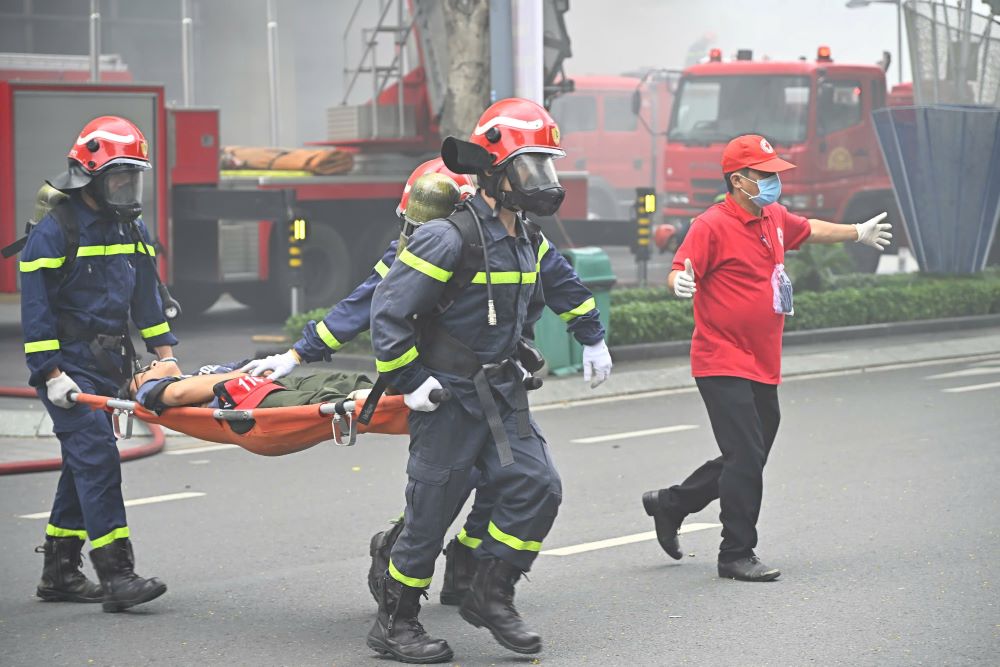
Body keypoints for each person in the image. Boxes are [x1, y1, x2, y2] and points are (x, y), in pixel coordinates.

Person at [366, 97, 613, 663]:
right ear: (493, 174)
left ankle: (489, 592)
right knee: (430, 517)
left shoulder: (526, 237)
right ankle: (396, 623)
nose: (544, 181)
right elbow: (389, 311)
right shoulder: (447, 237)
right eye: (531, 168)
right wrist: (408, 380)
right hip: (448, 399)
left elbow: (563, 284)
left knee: (537, 486)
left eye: (547, 167)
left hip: (501, 394)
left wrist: (591, 335)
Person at [641, 134, 892, 582]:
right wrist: (677, 281)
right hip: (721, 359)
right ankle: (735, 553)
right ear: (738, 180)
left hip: (762, 361)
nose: (775, 180)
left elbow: (810, 228)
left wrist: (857, 232)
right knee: (746, 454)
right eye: (766, 174)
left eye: (775, 172)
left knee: (749, 454)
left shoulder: (772, 216)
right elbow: (682, 266)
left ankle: (672, 503)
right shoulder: (710, 225)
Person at [20, 116, 178, 612]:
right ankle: (117, 575)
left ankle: (60, 571)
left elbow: (148, 300)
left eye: (133, 177)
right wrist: (51, 375)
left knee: (83, 463)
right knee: (98, 458)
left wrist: (166, 358)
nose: (127, 187)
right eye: (117, 178)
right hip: (66, 367)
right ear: (89, 178)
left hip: (109, 364)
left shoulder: (132, 226)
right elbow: (35, 313)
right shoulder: (54, 232)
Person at [128, 358, 372, 411]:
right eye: (144, 371)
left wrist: (262, 368)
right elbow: (179, 394)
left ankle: (392, 391)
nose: (153, 362)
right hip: (249, 399)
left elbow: (246, 367)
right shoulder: (151, 392)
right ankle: (380, 402)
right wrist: (237, 374)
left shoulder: (199, 372)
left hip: (273, 383)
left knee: (343, 380)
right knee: (326, 401)